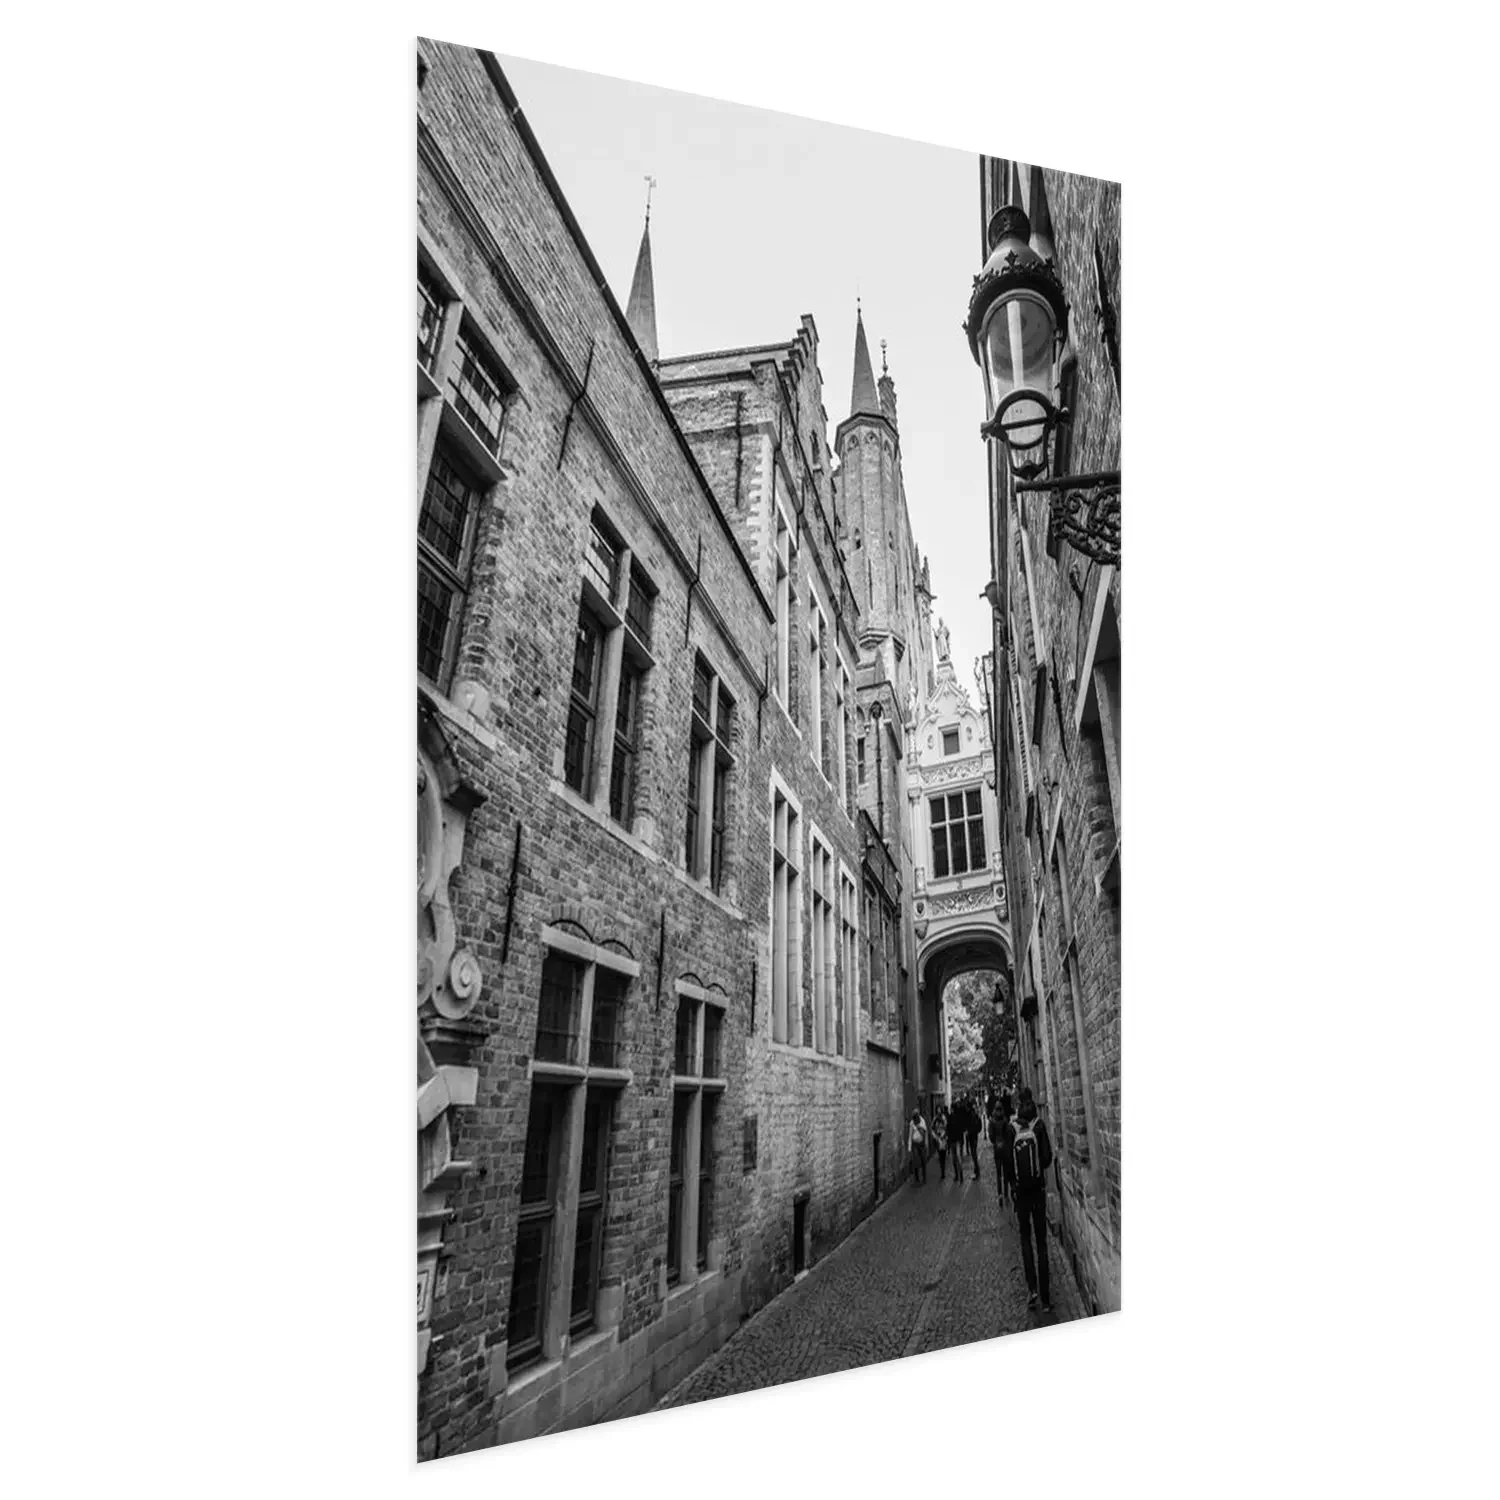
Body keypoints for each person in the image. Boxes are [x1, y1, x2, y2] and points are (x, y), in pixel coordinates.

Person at [1012, 1087, 1053, 1311]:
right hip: (1038, 1191)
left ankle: (1032, 1289)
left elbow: (1008, 1165)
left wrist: (1014, 1186)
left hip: (1021, 1194)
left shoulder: (1013, 1128)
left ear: (1019, 1103)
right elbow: (1046, 1159)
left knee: (1026, 1240)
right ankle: (1046, 1298)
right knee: (1042, 1243)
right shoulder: (1039, 1126)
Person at [989, 1092, 1015, 1208]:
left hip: (997, 1149)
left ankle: (999, 1194)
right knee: (1005, 1172)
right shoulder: (1005, 1120)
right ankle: (1006, 1194)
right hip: (1005, 1149)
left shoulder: (992, 1121)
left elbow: (991, 1137)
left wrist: (996, 1142)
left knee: (998, 1173)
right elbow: (1008, 1135)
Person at [907, 1108, 930, 1183]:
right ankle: (916, 1177)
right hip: (915, 1144)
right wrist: (909, 1148)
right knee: (916, 1160)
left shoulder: (922, 1121)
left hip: (921, 1143)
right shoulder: (912, 1123)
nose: (915, 1120)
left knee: (923, 1160)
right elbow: (910, 1135)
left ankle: (924, 1177)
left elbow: (925, 1133)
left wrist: (926, 1144)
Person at [962, 1095, 981, 1180]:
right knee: (974, 1155)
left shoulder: (971, 1115)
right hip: (974, 1137)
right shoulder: (972, 1113)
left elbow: (972, 1126)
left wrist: (968, 1131)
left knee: (974, 1155)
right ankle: (976, 1172)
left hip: (973, 1137)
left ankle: (977, 1172)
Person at [932, 1105, 950, 1180]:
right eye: (937, 1109)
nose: (939, 1111)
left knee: (943, 1155)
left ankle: (943, 1171)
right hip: (938, 1139)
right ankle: (942, 1171)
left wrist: (945, 1135)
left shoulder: (944, 1117)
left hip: (944, 1139)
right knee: (940, 1155)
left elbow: (946, 1127)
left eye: (939, 1109)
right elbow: (932, 1128)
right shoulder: (935, 1118)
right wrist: (935, 1136)